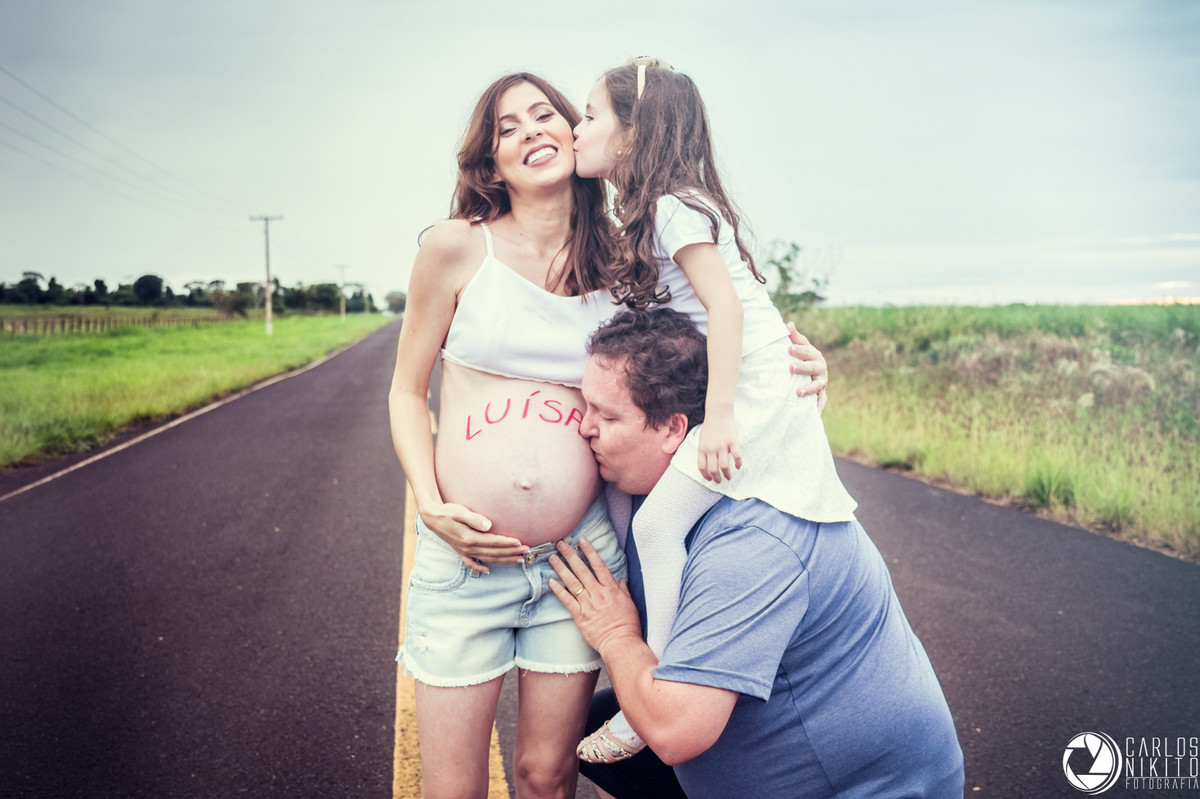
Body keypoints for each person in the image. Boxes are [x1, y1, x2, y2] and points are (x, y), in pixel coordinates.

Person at [387, 73, 831, 798]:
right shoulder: (455, 249)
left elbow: (716, 328)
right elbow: (406, 391)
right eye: (507, 128)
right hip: (467, 559)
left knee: (545, 774)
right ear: (489, 161)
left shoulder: (626, 264)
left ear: (577, 134)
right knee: (452, 789)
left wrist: (798, 361)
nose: (531, 132)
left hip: (577, 559)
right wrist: (430, 503)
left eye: (546, 115)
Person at [549, 308, 966, 799]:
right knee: (603, 721)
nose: (584, 427)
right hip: (769, 761)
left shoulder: (753, 540)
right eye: (587, 406)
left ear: (671, 431)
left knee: (651, 718)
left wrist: (616, 634)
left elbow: (677, 730)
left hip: (865, 789)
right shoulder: (651, 485)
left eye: (608, 416)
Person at [570, 56, 858, 761]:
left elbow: (726, 307)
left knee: (662, 522)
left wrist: (721, 416)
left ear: (633, 135)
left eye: (589, 115)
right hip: (748, 385)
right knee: (644, 517)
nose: (579, 129)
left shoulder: (670, 206)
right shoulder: (658, 207)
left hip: (753, 391)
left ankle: (657, 690)